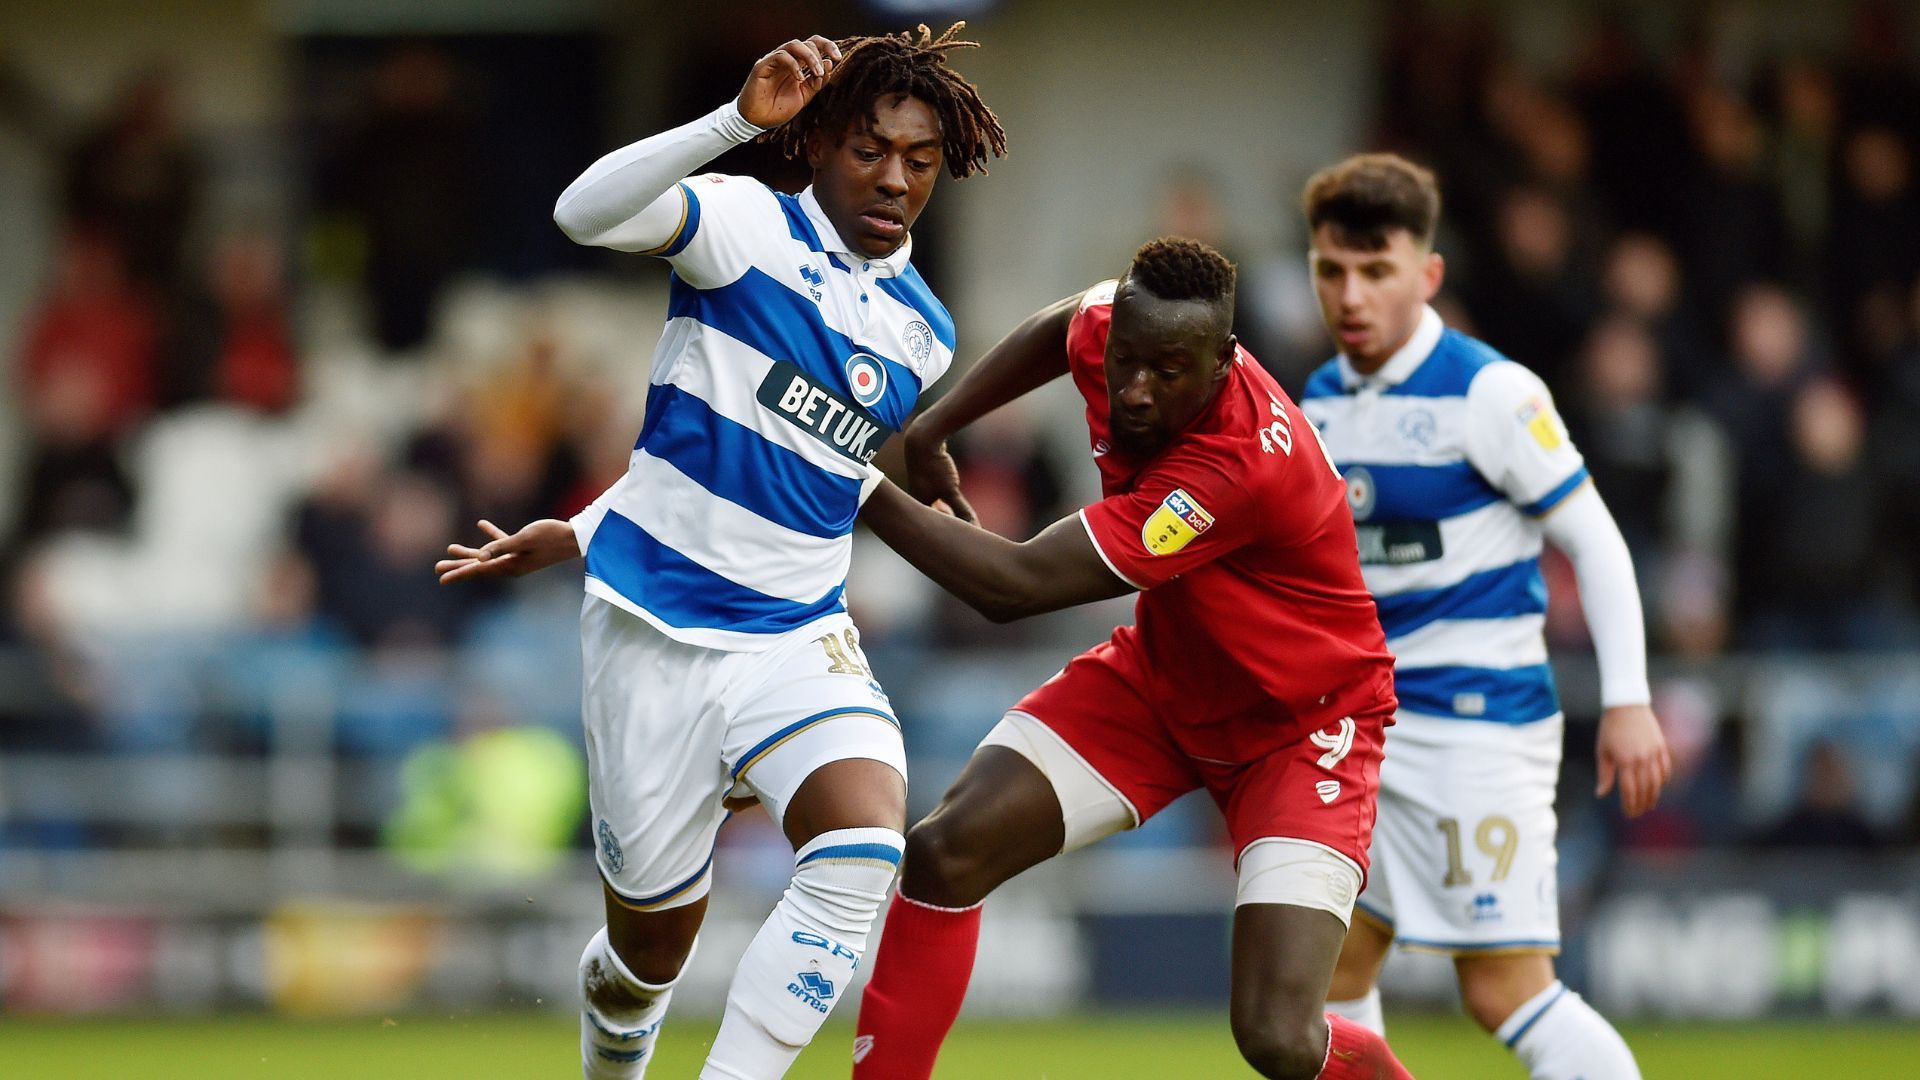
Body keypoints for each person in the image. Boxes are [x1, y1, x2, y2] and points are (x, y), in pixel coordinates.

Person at [435, 24, 1005, 1079]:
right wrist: (736, 123)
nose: (894, 179)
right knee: (648, 954)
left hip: (797, 636)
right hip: (654, 634)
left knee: (866, 842)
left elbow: (774, 463)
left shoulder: (925, 329)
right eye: (870, 150)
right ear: (823, 142)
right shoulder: (742, 226)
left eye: (918, 161)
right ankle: (618, 1033)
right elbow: (580, 213)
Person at [849, 238, 1411, 1080]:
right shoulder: (1128, 332)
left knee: (1278, 1037)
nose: (1136, 392)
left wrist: (846, 474)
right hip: (1164, 681)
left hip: (1302, 730)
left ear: (1224, 362)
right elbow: (1067, 326)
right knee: (945, 850)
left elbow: (1014, 585)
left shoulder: (1235, 469)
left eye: (1169, 371)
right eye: (1127, 362)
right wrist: (934, 425)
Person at [1294, 153, 1671, 1080]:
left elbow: (1597, 542)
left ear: (1425, 277)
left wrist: (1627, 699)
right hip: (1364, 735)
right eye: (1332, 271)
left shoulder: (1490, 392)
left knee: (1504, 991)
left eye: (1376, 272)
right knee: (1330, 967)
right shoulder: (1319, 401)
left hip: (1475, 730)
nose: (1352, 296)